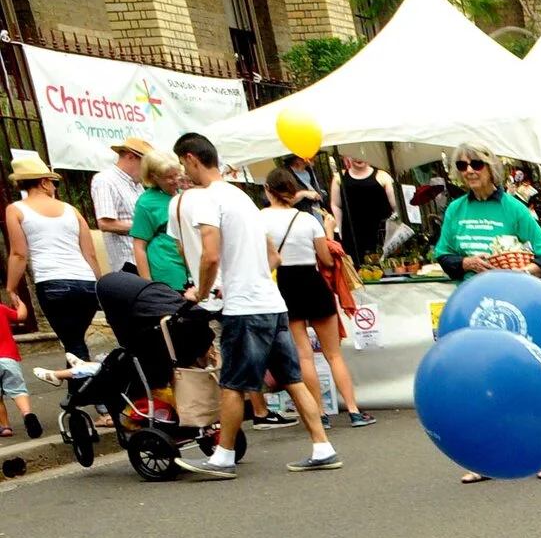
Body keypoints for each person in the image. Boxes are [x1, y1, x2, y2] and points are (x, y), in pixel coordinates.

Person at [167, 131, 341, 478]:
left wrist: (202, 291)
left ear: (190, 159)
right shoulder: (241, 197)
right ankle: (323, 447)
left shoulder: (205, 199)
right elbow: (273, 255)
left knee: (233, 383)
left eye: (182, 164)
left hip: (243, 306)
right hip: (271, 302)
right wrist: (254, 270)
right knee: (291, 378)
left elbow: (210, 253)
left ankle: (223, 456)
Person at [263, 170, 374, 429]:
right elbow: (325, 259)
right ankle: (355, 411)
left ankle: (319, 415)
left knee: (304, 356)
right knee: (334, 354)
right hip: (312, 283)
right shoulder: (307, 220)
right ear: (292, 190)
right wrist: (328, 230)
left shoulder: (259, 219)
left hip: (283, 284)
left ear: (268, 189)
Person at [5, 158, 102, 360]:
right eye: (53, 182)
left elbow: (18, 254)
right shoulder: (71, 210)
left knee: (74, 345)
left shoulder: (15, 210)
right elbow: (90, 253)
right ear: (43, 182)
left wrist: (11, 287)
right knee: (75, 342)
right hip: (86, 283)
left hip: (52, 283)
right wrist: (98, 284)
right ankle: (78, 391)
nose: (54, 187)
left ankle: (90, 389)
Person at [433, 144, 541, 280]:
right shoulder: (455, 209)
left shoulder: (514, 208)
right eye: (462, 166)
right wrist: (466, 263)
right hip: (468, 295)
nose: (469, 170)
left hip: (507, 294)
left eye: (476, 164)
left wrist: (522, 273)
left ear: (491, 168)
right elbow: (443, 256)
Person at [130, 153, 190, 292]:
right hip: (167, 269)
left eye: (177, 174)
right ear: (153, 177)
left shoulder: (185, 193)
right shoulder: (146, 203)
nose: (175, 180)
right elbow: (139, 245)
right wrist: (148, 284)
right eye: (169, 177)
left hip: (191, 266)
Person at [93, 138, 149, 273]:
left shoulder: (138, 186)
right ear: (130, 157)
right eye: (146, 164)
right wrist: (146, 229)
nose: (148, 169)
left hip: (145, 261)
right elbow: (105, 224)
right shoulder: (105, 180)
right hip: (127, 263)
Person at [335, 151, 397, 264]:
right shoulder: (339, 177)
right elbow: (336, 205)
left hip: (380, 232)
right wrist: (340, 230)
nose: (358, 158)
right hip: (352, 234)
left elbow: (395, 205)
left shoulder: (382, 176)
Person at [0, 293, 41, 438]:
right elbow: (20, 316)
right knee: (18, 390)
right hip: (8, 358)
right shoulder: (1, 308)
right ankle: (27, 414)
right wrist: (19, 302)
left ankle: (5, 427)